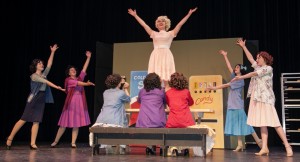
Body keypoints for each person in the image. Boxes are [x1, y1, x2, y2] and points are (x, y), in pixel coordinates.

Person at [232, 38, 293, 156]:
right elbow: (250, 59)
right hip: (258, 99)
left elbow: (254, 74)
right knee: (262, 123)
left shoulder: (268, 68)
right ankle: (265, 147)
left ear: (264, 59)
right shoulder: (259, 67)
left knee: (275, 123)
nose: (256, 59)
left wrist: (241, 77)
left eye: (258, 58)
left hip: (266, 99)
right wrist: (243, 47)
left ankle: (287, 145)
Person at [6, 44, 65, 150]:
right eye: (39, 63)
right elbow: (46, 82)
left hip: (41, 98)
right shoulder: (34, 76)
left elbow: (50, 64)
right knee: (23, 119)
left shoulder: (44, 74)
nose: (42, 64)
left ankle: (33, 143)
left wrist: (52, 52)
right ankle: (10, 138)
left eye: (42, 63)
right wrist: (58, 87)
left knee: (36, 121)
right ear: (35, 66)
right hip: (33, 98)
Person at [205, 50, 262, 152]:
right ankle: (240, 144)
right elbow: (229, 67)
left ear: (241, 71)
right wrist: (225, 56)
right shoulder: (234, 78)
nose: (235, 69)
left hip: (237, 106)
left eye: (237, 68)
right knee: (237, 124)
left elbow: (226, 85)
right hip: (232, 105)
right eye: (235, 68)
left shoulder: (240, 81)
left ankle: (259, 141)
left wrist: (213, 88)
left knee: (245, 124)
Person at [128, 7, 197, 86]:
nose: (160, 22)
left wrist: (189, 14)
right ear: (156, 24)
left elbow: (180, 24)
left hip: (166, 54)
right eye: (159, 21)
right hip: (156, 55)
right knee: (155, 75)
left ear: (166, 23)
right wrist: (135, 15)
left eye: (163, 21)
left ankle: (167, 92)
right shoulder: (153, 33)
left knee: (167, 76)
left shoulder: (171, 33)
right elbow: (144, 25)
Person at [51, 51, 95, 148]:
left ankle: (73, 142)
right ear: (68, 73)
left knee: (76, 123)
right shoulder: (68, 80)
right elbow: (79, 84)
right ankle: (55, 141)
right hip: (70, 103)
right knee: (63, 124)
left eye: (74, 69)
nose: (73, 70)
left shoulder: (79, 78)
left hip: (79, 103)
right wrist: (87, 84)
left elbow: (84, 69)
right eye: (71, 70)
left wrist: (88, 57)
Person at [91, 74, 130, 154]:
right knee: (124, 123)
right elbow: (128, 99)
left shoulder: (105, 92)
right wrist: (126, 89)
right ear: (119, 83)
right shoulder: (121, 93)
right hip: (115, 119)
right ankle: (122, 146)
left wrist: (121, 89)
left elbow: (117, 98)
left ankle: (107, 145)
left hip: (102, 119)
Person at [135, 72, 167, 155]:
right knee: (160, 127)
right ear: (157, 82)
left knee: (150, 128)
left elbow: (139, 101)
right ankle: (161, 147)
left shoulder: (142, 91)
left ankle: (149, 147)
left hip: (144, 122)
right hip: (158, 121)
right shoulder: (161, 91)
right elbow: (165, 102)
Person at [165, 72, 195, 156]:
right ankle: (184, 148)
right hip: (186, 120)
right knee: (186, 132)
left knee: (173, 132)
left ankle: (173, 147)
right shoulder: (186, 92)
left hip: (173, 120)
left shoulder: (168, 93)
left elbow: (169, 104)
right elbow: (191, 103)